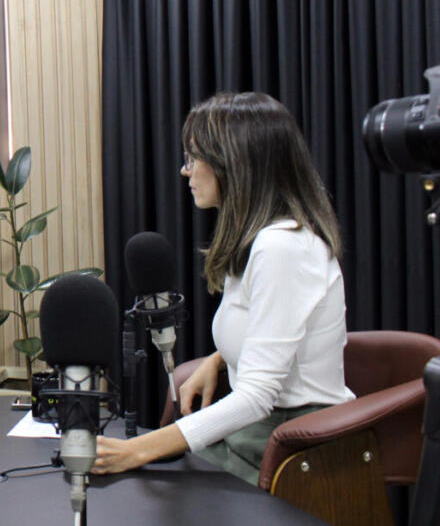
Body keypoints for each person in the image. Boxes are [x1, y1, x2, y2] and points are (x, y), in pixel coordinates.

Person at [93, 92, 354, 485]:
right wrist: (218, 360)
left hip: (291, 448)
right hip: (258, 434)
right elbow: (275, 335)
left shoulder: (282, 248)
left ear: (233, 164)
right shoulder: (261, 241)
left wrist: (138, 450)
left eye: (193, 158)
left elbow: (257, 398)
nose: (186, 171)